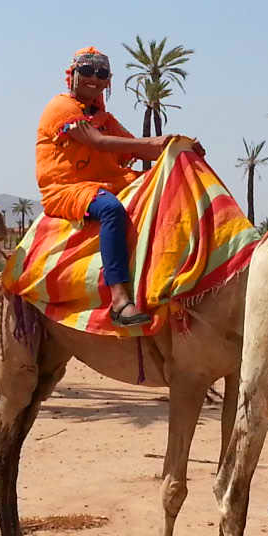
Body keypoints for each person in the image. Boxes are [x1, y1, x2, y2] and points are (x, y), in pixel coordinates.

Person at [34, 47, 190, 329]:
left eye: (102, 73)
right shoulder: (62, 108)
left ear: (109, 80)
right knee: (110, 209)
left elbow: (138, 150)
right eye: (87, 71)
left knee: (163, 188)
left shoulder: (104, 118)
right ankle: (119, 298)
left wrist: (181, 148)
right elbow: (99, 143)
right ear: (72, 75)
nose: (94, 78)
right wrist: (158, 143)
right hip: (67, 188)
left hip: (109, 181)